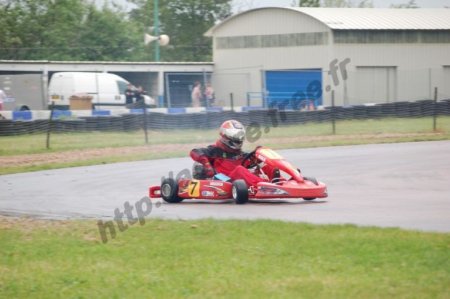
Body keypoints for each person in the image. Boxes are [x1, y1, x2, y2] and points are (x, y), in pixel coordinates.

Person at [190, 119, 279, 187]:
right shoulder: (215, 150)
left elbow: (247, 162)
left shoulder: (239, 153)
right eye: (236, 136)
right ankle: (266, 185)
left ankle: (279, 181)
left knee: (265, 162)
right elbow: (194, 152)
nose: (239, 139)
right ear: (226, 136)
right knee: (239, 170)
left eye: (240, 136)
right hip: (226, 181)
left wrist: (257, 156)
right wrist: (207, 165)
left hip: (242, 182)